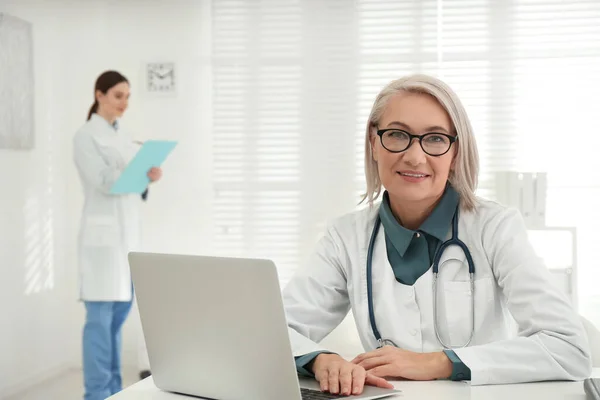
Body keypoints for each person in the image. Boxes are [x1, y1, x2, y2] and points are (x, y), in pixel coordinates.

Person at [282, 74, 592, 396]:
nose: (415, 157)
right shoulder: (345, 237)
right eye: (398, 134)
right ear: (374, 143)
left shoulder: (495, 228)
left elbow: (569, 348)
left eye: (434, 139)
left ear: (455, 152)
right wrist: (321, 359)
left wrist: (436, 363)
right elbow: (272, 329)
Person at [73, 70, 162, 400]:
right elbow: (102, 181)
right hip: (101, 244)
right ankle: (96, 393)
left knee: (116, 321)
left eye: (128, 96)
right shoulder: (85, 136)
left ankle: (111, 391)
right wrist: (135, 171)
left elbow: (128, 187)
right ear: (100, 95)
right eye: (118, 95)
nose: (125, 102)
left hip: (127, 242)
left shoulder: (123, 135)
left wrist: (146, 178)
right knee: (99, 322)